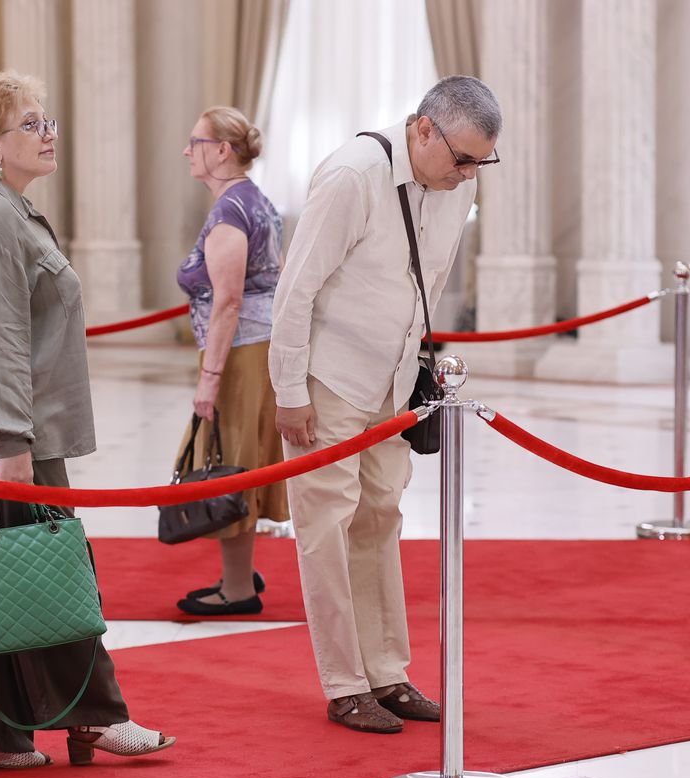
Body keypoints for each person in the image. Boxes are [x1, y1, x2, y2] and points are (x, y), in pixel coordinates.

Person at [0, 71, 175, 772]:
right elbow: (0, 336)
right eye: (31, 124)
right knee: (51, 578)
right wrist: (11, 445)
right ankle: (98, 718)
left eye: (48, 120)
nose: (48, 132)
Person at [269, 76, 502, 733]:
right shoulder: (352, 176)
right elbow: (296, 288)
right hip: (328, 382)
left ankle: (388, 673)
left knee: (380, 518)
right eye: (461, 157)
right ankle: (346, 684)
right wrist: (288, 390)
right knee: (326, 526)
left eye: (480, 161)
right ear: (423, 128)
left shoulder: (460, 184)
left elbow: (426, 280)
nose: (468, 173)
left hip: (394, 382)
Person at [173, 106, 289, 616]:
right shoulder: (254, 200)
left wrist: (210, 377)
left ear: (222, 150)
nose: (186, 150)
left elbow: (228, 300)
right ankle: (238, 575)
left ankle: (238, 589)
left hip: (241, 353)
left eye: (195, 141)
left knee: (229, 465)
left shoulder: (229, 211)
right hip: (258, 349)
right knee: (241, 460)